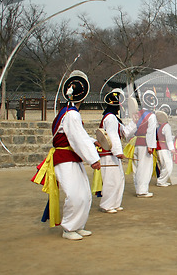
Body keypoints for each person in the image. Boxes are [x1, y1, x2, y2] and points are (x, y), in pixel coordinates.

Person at [33, 70, 101, 240]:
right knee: (74, 194)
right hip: (64, 159)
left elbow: (80, 136)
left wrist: (93, 142)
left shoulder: (69, 113)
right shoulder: (71, 114)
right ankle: (69, 228)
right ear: (83, 97)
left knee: (84, 193)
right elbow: (77, 138)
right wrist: (93, 159)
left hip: (71, 157)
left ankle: (78, 225)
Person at [96, 89, 136, 213]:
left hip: (112, 153)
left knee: (118, 178)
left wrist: (134, 121)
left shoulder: (114, 118)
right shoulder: (111, 118)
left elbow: (125, 133)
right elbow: (113, 136)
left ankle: (114, 203)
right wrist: (118, 151)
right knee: (111, 180)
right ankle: (107, 204)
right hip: (109, 153)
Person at [131, 90, 158, 198]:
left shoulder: (137, 115)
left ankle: (138, 187)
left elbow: (131, 129)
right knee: (145, 167)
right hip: (145, 144)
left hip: (136, 142)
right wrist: (151, 146)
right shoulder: (151, 116)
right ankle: (142, 190)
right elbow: (151, 132)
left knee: (136, 166)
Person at [155, 110, 175, 187]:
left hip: (160, 147)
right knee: (168, 165)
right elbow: (168, 138)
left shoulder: (159, 127)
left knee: (164, 165)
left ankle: (162, 180)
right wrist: (172, 149)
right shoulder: (166, 126)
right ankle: (161, 181)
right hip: (164, 148)